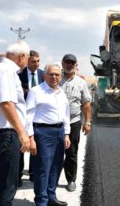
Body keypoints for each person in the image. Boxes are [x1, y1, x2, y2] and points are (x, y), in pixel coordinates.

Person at [0, 41, 32, 205]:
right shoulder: (6, 71)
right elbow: (6, 103)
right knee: (7, 188)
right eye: (28, 58)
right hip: (5, 136)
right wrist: (22, 133)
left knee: (2, 184)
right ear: (22, 56)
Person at [25, 64, 70, 206]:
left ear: (61, 76)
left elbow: (66, 114)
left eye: (57, 74)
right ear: (44, 76)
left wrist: (67, 133)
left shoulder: (61, 92)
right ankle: (41, 201)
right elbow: (28, 116)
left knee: (56, 166)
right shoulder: (36, 91)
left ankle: (51, 196)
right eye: (51, 74)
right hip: (43, 133)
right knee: (42, 168)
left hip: (60, 132)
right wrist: (30, 138)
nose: (54, 77)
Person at [60, 54, 91, 192]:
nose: (69, 65)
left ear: (75, 65)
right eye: (67, 62)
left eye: (71, 63)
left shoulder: (81, 82)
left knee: (71, 152)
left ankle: (71, 180)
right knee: (54, 152)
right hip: (56, 123)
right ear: (62, 63)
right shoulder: (56, 79)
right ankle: (51, 178)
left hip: (74, 122)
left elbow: (86, 104)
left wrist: (87, 122)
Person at [18, 50, 44, 186]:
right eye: (34, 61)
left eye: (38, 61)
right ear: (27, 61)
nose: (37, 64)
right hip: (22, 117)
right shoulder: (19, 75)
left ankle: (33, 174)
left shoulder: (42, 75)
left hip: (37, 117)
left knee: (36, 146)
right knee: (21, 146)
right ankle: (18, 175)